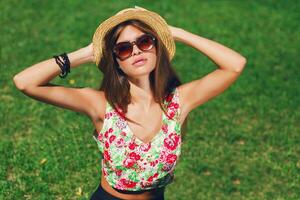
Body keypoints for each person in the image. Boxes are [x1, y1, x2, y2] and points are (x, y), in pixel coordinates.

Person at [13, 5, 247, 200]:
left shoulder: (178, 102)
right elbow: (25, 82)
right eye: (124, 49)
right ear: (116, 62)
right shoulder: (101, 104)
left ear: (156, 48)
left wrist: (174, 32)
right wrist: (86, 54)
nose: (136, 51)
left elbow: (235, 64)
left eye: (145, 42)